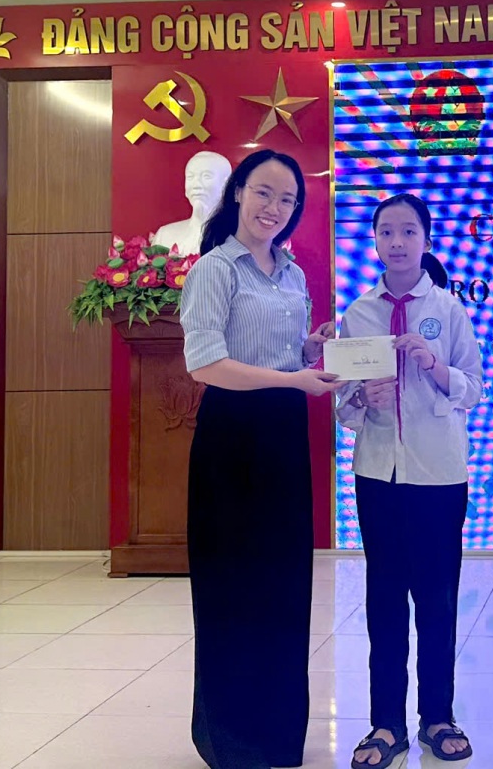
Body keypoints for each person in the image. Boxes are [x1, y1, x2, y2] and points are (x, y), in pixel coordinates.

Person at [178, 148, 341, 769]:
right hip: (232, 437)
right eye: (264, 193)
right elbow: (206, 365)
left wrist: (311, 349)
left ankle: (276, 735)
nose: (274, 208)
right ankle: (231, 740)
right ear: (239, 193)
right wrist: (294, 380)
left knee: (282, 584)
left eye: (287, 199)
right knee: (232, 585)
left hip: (283, 437)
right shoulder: (215, 269)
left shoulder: (292, 273)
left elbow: (284, 355)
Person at [337, 193, 481, 767]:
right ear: (374, 241)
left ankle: (438, 718)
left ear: (426, 239)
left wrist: (433, 364)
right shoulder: (358, 314)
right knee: (384, 600)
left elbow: (474, 389)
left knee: (437, 599)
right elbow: (342, 407)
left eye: (408, 231)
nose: (396, 242)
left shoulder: (447, 309)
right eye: (386, 232)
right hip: (378, 474)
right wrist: (360, 400)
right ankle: (385, 724)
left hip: (438, 477)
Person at [152, 150, 232, 255]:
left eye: (206, 176)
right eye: (190, 177)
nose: (196, 185)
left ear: (226, 184)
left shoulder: (240, 238)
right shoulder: (165, 235)